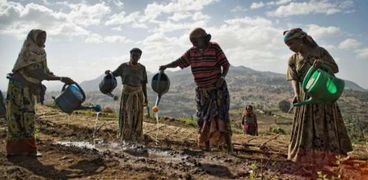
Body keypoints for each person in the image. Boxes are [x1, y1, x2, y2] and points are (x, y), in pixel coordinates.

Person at [283, 28, 352, 165]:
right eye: (288, 45)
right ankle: (306, 155)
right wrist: (296, 94)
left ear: (300, 40)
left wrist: (323, 64)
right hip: (305, 96)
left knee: (326, 123)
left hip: (323, 93)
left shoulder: (320, 52)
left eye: (291, 44)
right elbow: (294, 78)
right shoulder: (293, 59)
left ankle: (332, 155)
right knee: (305, 126)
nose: (290, 48)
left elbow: (335, 68)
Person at [159, 28, 233, 153]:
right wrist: (166, 66)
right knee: (204, 119)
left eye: (196, 41)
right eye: (192, 41)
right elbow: (179, 62)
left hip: (217, 91)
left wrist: (222, 77)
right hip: (202, 93)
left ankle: (229, 147)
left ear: (204, 39)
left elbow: (226, 64)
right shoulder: (192, 52)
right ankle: (207, 147)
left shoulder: (215, 48)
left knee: (221, 118)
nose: (194, 43)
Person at [6, 29, 75, 157]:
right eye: (40, 38)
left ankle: (28, 149)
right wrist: (60, 78)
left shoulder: (42, 53)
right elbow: (36, 72)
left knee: (28, 116)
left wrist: (57, 77)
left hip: (28, 88)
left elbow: (45, 71)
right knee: (16, 117)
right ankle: (15, 150)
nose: (43, 41)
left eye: (44, 38)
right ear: (33, 38)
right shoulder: (28, 51)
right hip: (18, 88)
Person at [105, 48, 148, 142]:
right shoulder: (123, 67)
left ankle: (136, 135)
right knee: (126, 114)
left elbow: (144, 83)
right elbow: (113, 74)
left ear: (140, 57)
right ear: (130, 55)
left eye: (137, 56)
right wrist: (108, 73)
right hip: (127, 94)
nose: (135, 57)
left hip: (138, 94)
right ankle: (126, 136)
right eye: (133, 55)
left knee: (137, 114)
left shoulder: (142, 68)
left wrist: (146, 98)